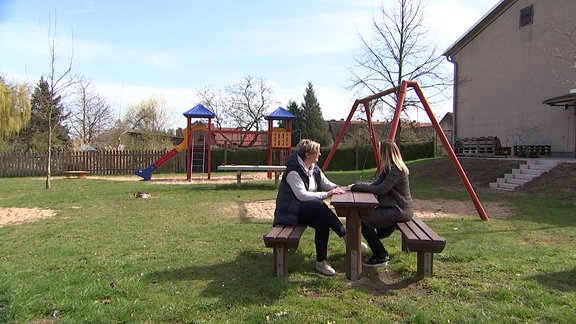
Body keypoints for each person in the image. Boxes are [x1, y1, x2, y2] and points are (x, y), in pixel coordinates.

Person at [273, 139, 347, 276]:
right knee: (318, 204)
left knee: (322, 224)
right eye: (317, 151)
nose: (319, 153)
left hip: (304, 210)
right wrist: (327, 194)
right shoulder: (293, 172)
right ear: (308, 155)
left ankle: (321, 262)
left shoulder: (314, 169)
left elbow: (327, 184)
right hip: (291, 212)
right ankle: (345, 234)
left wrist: (341, 188)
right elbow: (301, 196)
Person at [350, 139, 414, 267]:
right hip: (393, 208)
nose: (378, 154)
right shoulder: (389, 169)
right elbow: (375, 185)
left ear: (386, 153)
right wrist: (357, 185)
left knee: (363, 220)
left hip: (399, 210)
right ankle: (378, 248)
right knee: (364, 218)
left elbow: (381, 189)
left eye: (380, 151)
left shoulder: (397, 170)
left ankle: (380, 255)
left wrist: (357, 187)